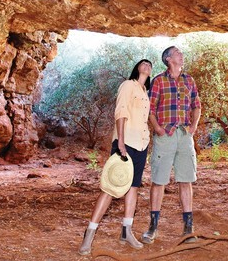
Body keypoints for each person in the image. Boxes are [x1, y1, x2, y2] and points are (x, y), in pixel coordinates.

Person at [79, 59, 153, 256]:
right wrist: (120, 141)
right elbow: (121, 112)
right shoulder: (128, 85)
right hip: (126, 142)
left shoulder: (146, 92)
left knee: (133, 188)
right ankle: (89, 234)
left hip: (142, 144)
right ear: (137, 68)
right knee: (111, 188)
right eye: (143, 63)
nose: (147, 65)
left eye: (150, 64)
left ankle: (127, 231)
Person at [142, 46, 202, 244]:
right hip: (165, 136)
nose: (181, 54)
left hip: (184, 135)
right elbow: (150, 109)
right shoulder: (159, 81)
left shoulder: (189, 80)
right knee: (158, 181)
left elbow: (197, 106)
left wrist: (193, 126)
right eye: (177, 52)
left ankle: (188, 227)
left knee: (186, 180)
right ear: (168, 59)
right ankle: (153, 227)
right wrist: (158, 129)